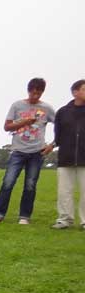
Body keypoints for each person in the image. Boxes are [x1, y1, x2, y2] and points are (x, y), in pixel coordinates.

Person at [0, 77, 56, 224]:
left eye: (39, 93)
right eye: (33, 92)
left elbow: (61, 125)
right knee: (8, 182)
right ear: (28, 90)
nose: (35, 95)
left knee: (30, 185)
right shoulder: (17, 106)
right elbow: (7, 127)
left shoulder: (47, 108)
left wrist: (52, 144)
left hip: (37, 152)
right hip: (18, 150)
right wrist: (24, 122)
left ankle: (24, 216)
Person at [46, 78, 85, 229]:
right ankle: (64, 220)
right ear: (75, 92)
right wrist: (52, 145)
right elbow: (58, 135)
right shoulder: (63, 112)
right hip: (65, 158)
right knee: (64, 192)